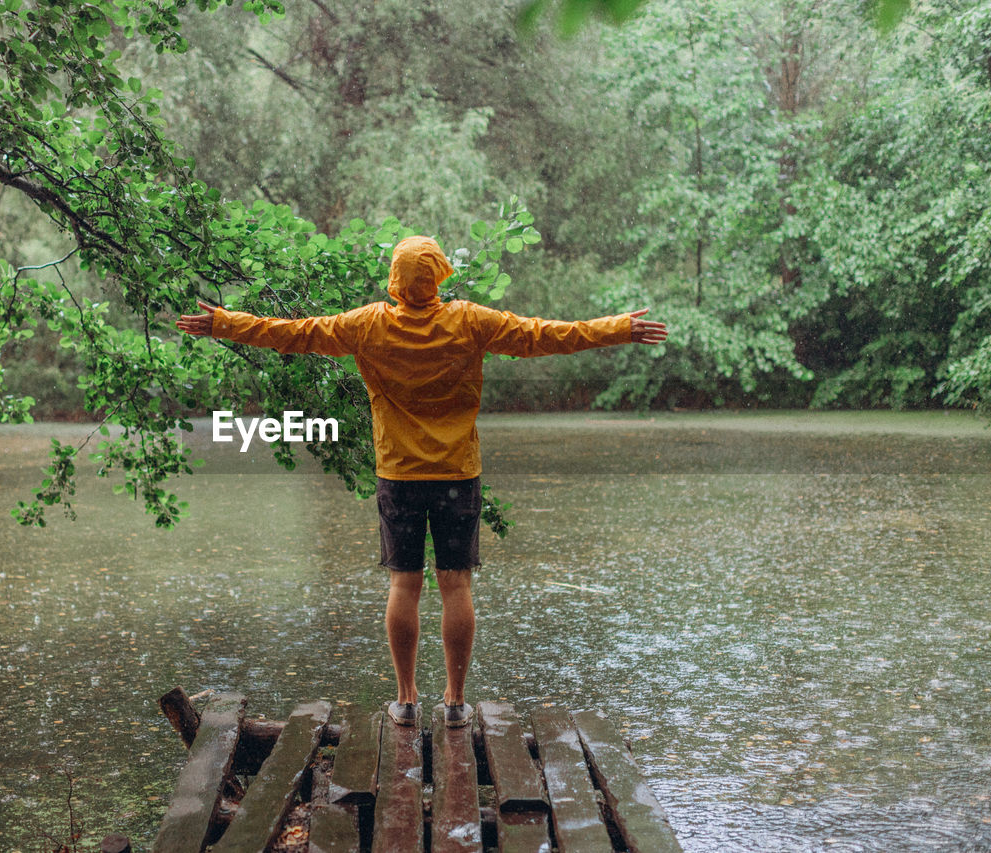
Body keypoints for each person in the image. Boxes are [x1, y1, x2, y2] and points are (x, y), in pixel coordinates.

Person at [177, 235, 667, 729]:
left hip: (400, 476)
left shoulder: (367, 325)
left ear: (395, 279)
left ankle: (407, 699)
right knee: (455, 583)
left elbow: (294, 333)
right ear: (437, 275)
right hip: (457, 473)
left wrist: (222, 323)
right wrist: (617, 329)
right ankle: (455, 703)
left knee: (404, 583)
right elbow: (544, 335)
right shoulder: (470, 321)